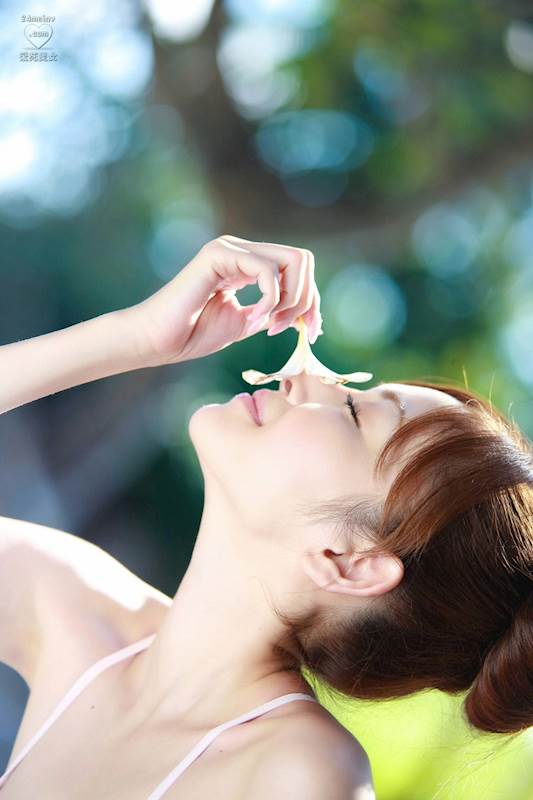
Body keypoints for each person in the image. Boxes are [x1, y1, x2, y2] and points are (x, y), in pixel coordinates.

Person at [0, 235, 531, 799]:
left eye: (353, 411)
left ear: (351, 562)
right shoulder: (75, 604)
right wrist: (136, 337)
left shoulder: (301, 773)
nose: (302, 375)